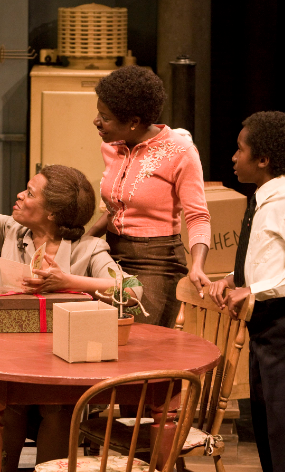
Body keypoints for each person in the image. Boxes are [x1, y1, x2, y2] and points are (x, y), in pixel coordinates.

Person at [0, 113, 143, 471]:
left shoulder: (87, 249)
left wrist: (69, 282)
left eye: (30, 193)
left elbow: (132, 291)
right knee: (4, 403)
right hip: (12, 360)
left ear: (53, 212)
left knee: (58, 408)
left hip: (63, 366)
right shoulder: (13, 232)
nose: (19, 196)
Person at [208, 111, 285, 472]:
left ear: (262, 159)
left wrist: (254, 290)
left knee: (284, 432)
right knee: (263, 425)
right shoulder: (260, 200)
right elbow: (267, 258)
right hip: (262, 327)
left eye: (240, 150)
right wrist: (233, 278)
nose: (233, 157)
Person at [86, 65, 211, 328]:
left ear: (133, 122)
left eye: (105, 117)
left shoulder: (180, 151)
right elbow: (114, 210)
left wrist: (197, 265)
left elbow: (198, 216)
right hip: (110, 255)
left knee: (139, 348)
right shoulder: (111, 146)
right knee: (99, 340)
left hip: (156, 262)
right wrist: (84, 241)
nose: (97, 121)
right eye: (99, 112)